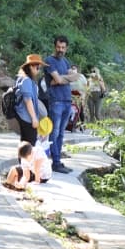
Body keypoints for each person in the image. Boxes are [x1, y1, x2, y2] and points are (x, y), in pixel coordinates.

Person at [44, 36, 78, 174]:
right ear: (54, 46)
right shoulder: (49, 61)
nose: (60, 50)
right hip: (56, 101)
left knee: (61, 134)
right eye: (58, 47)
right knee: (55, 132)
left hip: (67, 101)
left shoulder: (65, 61)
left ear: (66, 48)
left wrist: (61, 79)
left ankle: (57, 161)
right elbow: (57, 79)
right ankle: (56, 162)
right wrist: (64, 78)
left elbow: (74, 77)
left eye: (63, 48)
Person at [13, 54, 46, 146]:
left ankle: (23, 160)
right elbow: (28, 100)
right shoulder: (26, 80)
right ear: (31, 66)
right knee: (30, 145)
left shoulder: (23, 79)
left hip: (24, 117)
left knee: (25, 144)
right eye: (37, 67)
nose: (39, 70)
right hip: (27, 117)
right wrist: (34, 118)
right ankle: (25, 160)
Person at [69, 65, 87, 132]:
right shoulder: (69, 77)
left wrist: (83, 96)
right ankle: (73, 126)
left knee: (80, 111)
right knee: (73, 111)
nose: (73, 70)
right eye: (72, 69)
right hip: (71, 96)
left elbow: (85, 87)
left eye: (74, 69)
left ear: (77, 69)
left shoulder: (81, 76)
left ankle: (82, 125)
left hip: (80, 95)